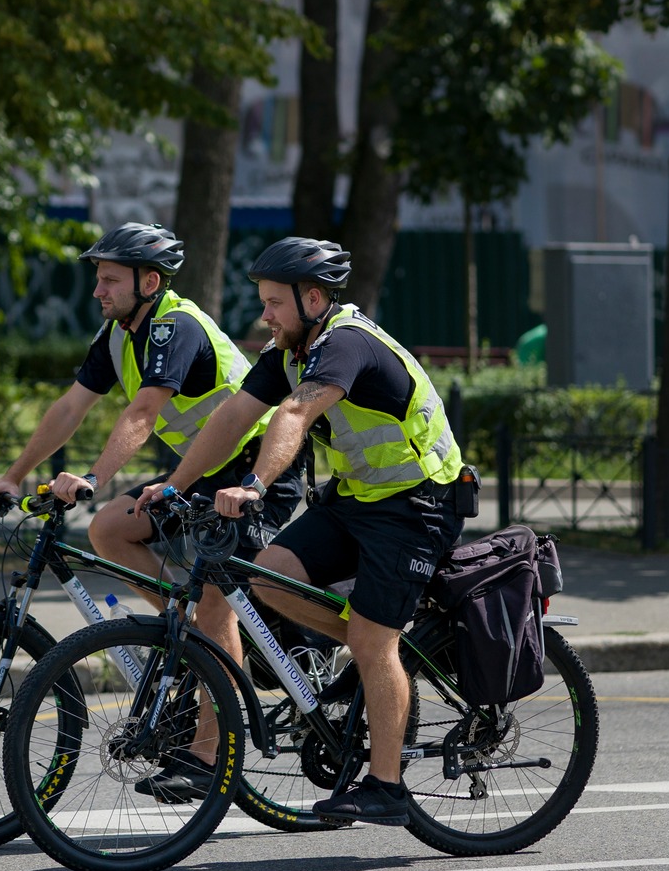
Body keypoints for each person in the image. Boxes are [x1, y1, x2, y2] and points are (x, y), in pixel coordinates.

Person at [142, 237, 464, 828]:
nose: (265, 314)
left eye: (274, 302)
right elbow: (235, 416)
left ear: (313, 298)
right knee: (271, 577)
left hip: (419, 505)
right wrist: (176, 485)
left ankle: (387, 787)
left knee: (373, 640)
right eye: (263, 301)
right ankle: (370, 656)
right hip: (356, 500)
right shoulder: (290, 348)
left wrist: (257, 485)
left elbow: (294, 414)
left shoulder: (345, 344)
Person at [0, 223, 304, 801]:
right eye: (97, 279)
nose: (97, 290)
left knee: (213, 604)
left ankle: (212, 755)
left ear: (148, 281)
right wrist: (14, 475)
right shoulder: (116, 336)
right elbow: (71, 406)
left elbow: (145, 410)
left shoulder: (175, 326)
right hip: (199, 475)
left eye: (109, 280)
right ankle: (194, 634)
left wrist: (95, 478)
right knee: (109, 529)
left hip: (254, 475)